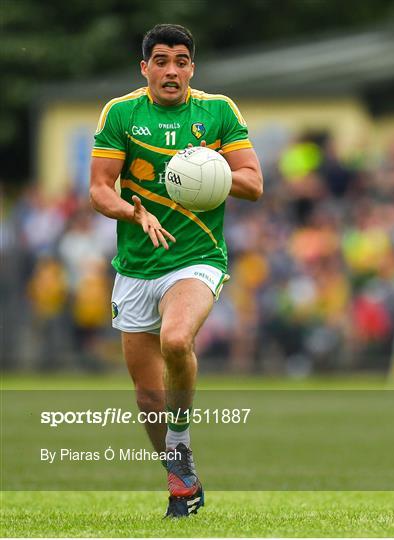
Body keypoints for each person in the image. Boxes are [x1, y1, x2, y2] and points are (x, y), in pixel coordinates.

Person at [90, 23, 263, 518]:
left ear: (192, 67)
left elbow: (253, 184)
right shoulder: (121, 113)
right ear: (144, 67)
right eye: (161, 60)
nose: (171, 70)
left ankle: (180, 436)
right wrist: (133, 212)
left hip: (197, 258)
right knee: (148, 400)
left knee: (175, 339)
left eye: (181, 61)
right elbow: (101, 188)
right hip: (137, 265)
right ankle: (182, 478)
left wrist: (210, 170)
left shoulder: (218, 112)